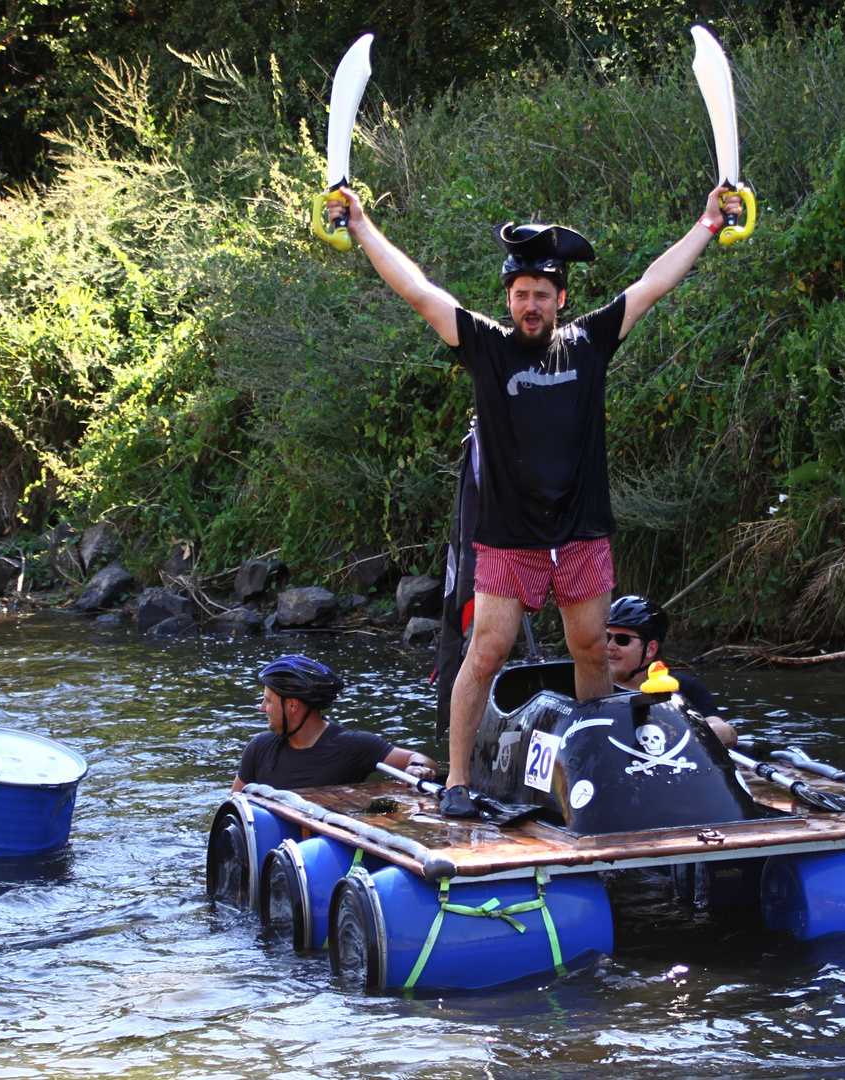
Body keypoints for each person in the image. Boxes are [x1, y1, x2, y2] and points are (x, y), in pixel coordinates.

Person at [331, 183, 745, 816]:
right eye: (521, 295)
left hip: (580, 533)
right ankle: (458, 782)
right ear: (508, 299)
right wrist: (360, 226)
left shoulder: (588, 342)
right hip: (509, 537)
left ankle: (601, 774)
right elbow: (417, 291)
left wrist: (708, 225)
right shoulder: (486, 346)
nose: (530, 305)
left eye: (541, 296)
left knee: (588, 649)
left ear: (560, 300)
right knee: (487, 652)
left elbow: (654, 283)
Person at [231, 655, 436, 792]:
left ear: (292, 705)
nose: (261, 707)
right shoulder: (259, 748)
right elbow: (232, 811)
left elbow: (420, 759)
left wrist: (417, 769)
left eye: (268, 700)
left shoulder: (352, 745)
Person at [605, 594, 737, 749]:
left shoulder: (685, 688)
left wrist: (712, 731)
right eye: (606, 637)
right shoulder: (589, 687)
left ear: (650, 649)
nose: (609, 646)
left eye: (622, 639)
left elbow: (725, 732)